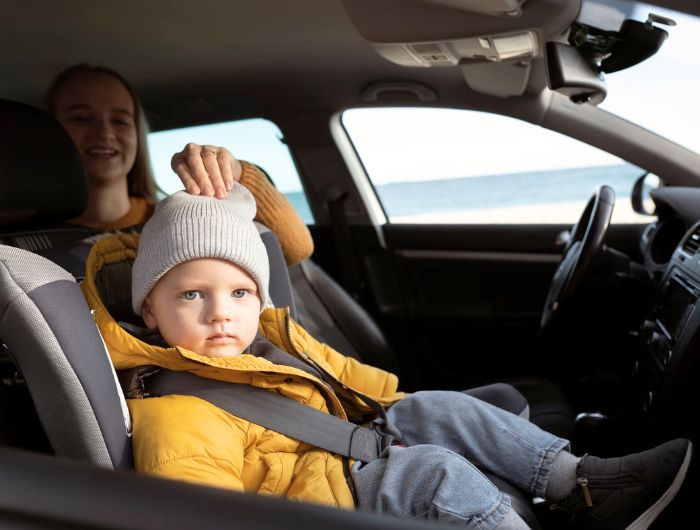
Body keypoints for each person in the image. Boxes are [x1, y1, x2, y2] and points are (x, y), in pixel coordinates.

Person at [81, 185, 693, 530]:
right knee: (432, 471)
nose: (221, 313)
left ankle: (580, 482)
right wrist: (389, 451)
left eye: (240, 293)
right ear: (150, 312)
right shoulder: (176, 406)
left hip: (343, 447)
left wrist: (407, 415)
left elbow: (353, 380)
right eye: (193, 295)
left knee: (436, 409)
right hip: (317, 501)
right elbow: (197, 506)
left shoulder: (269, 337)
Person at [45, 63, 312, 265]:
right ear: (48, 131)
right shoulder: (24, 239)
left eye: (120, 120)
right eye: (81, 118)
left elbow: (294, 250)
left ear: (137, 134)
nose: (104, 132)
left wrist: (237, 171)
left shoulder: (177, 218)